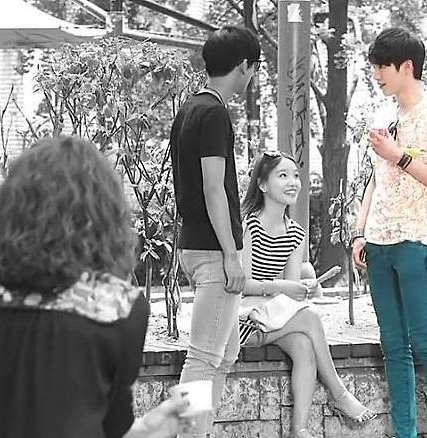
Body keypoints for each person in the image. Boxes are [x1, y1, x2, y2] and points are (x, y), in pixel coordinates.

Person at [0, 136, 189, 438]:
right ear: (104, 216)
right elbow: (112, 427)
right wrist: (156, 428)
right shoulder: (122, 307)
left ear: (11, 212)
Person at [353, 28, 427, 438]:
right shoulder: (382, 116)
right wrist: (359, 232)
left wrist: (398, 156)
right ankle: (404, 433)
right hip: (378, 244)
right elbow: (374, 180)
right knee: (393, 348)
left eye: (382, 66)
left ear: (407, 66)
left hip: (416, 242)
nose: (376, 74)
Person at [239, 152, 375, 438]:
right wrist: (283, 287)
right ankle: (339, 392)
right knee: (311, 318)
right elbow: (242, 286)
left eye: (295, 176)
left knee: (303, 345)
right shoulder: (249, 225)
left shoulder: (296, 234)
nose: (293, 182)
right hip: (244, 322)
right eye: (282, 175)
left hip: (273, 319)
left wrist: (302, 289)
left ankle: (299, 430)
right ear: (262, 184)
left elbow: (289, 297)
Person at [169, 25, 260, 437]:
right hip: (212, 250)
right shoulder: (214, 114)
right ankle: (188, 432)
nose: (251, 76)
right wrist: (231, 254)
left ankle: (199, 430)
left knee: (224, 353)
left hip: (194, 245)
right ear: (243, 66)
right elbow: (213, 188)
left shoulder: (190, 109)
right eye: (253, 68)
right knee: (204, 358)